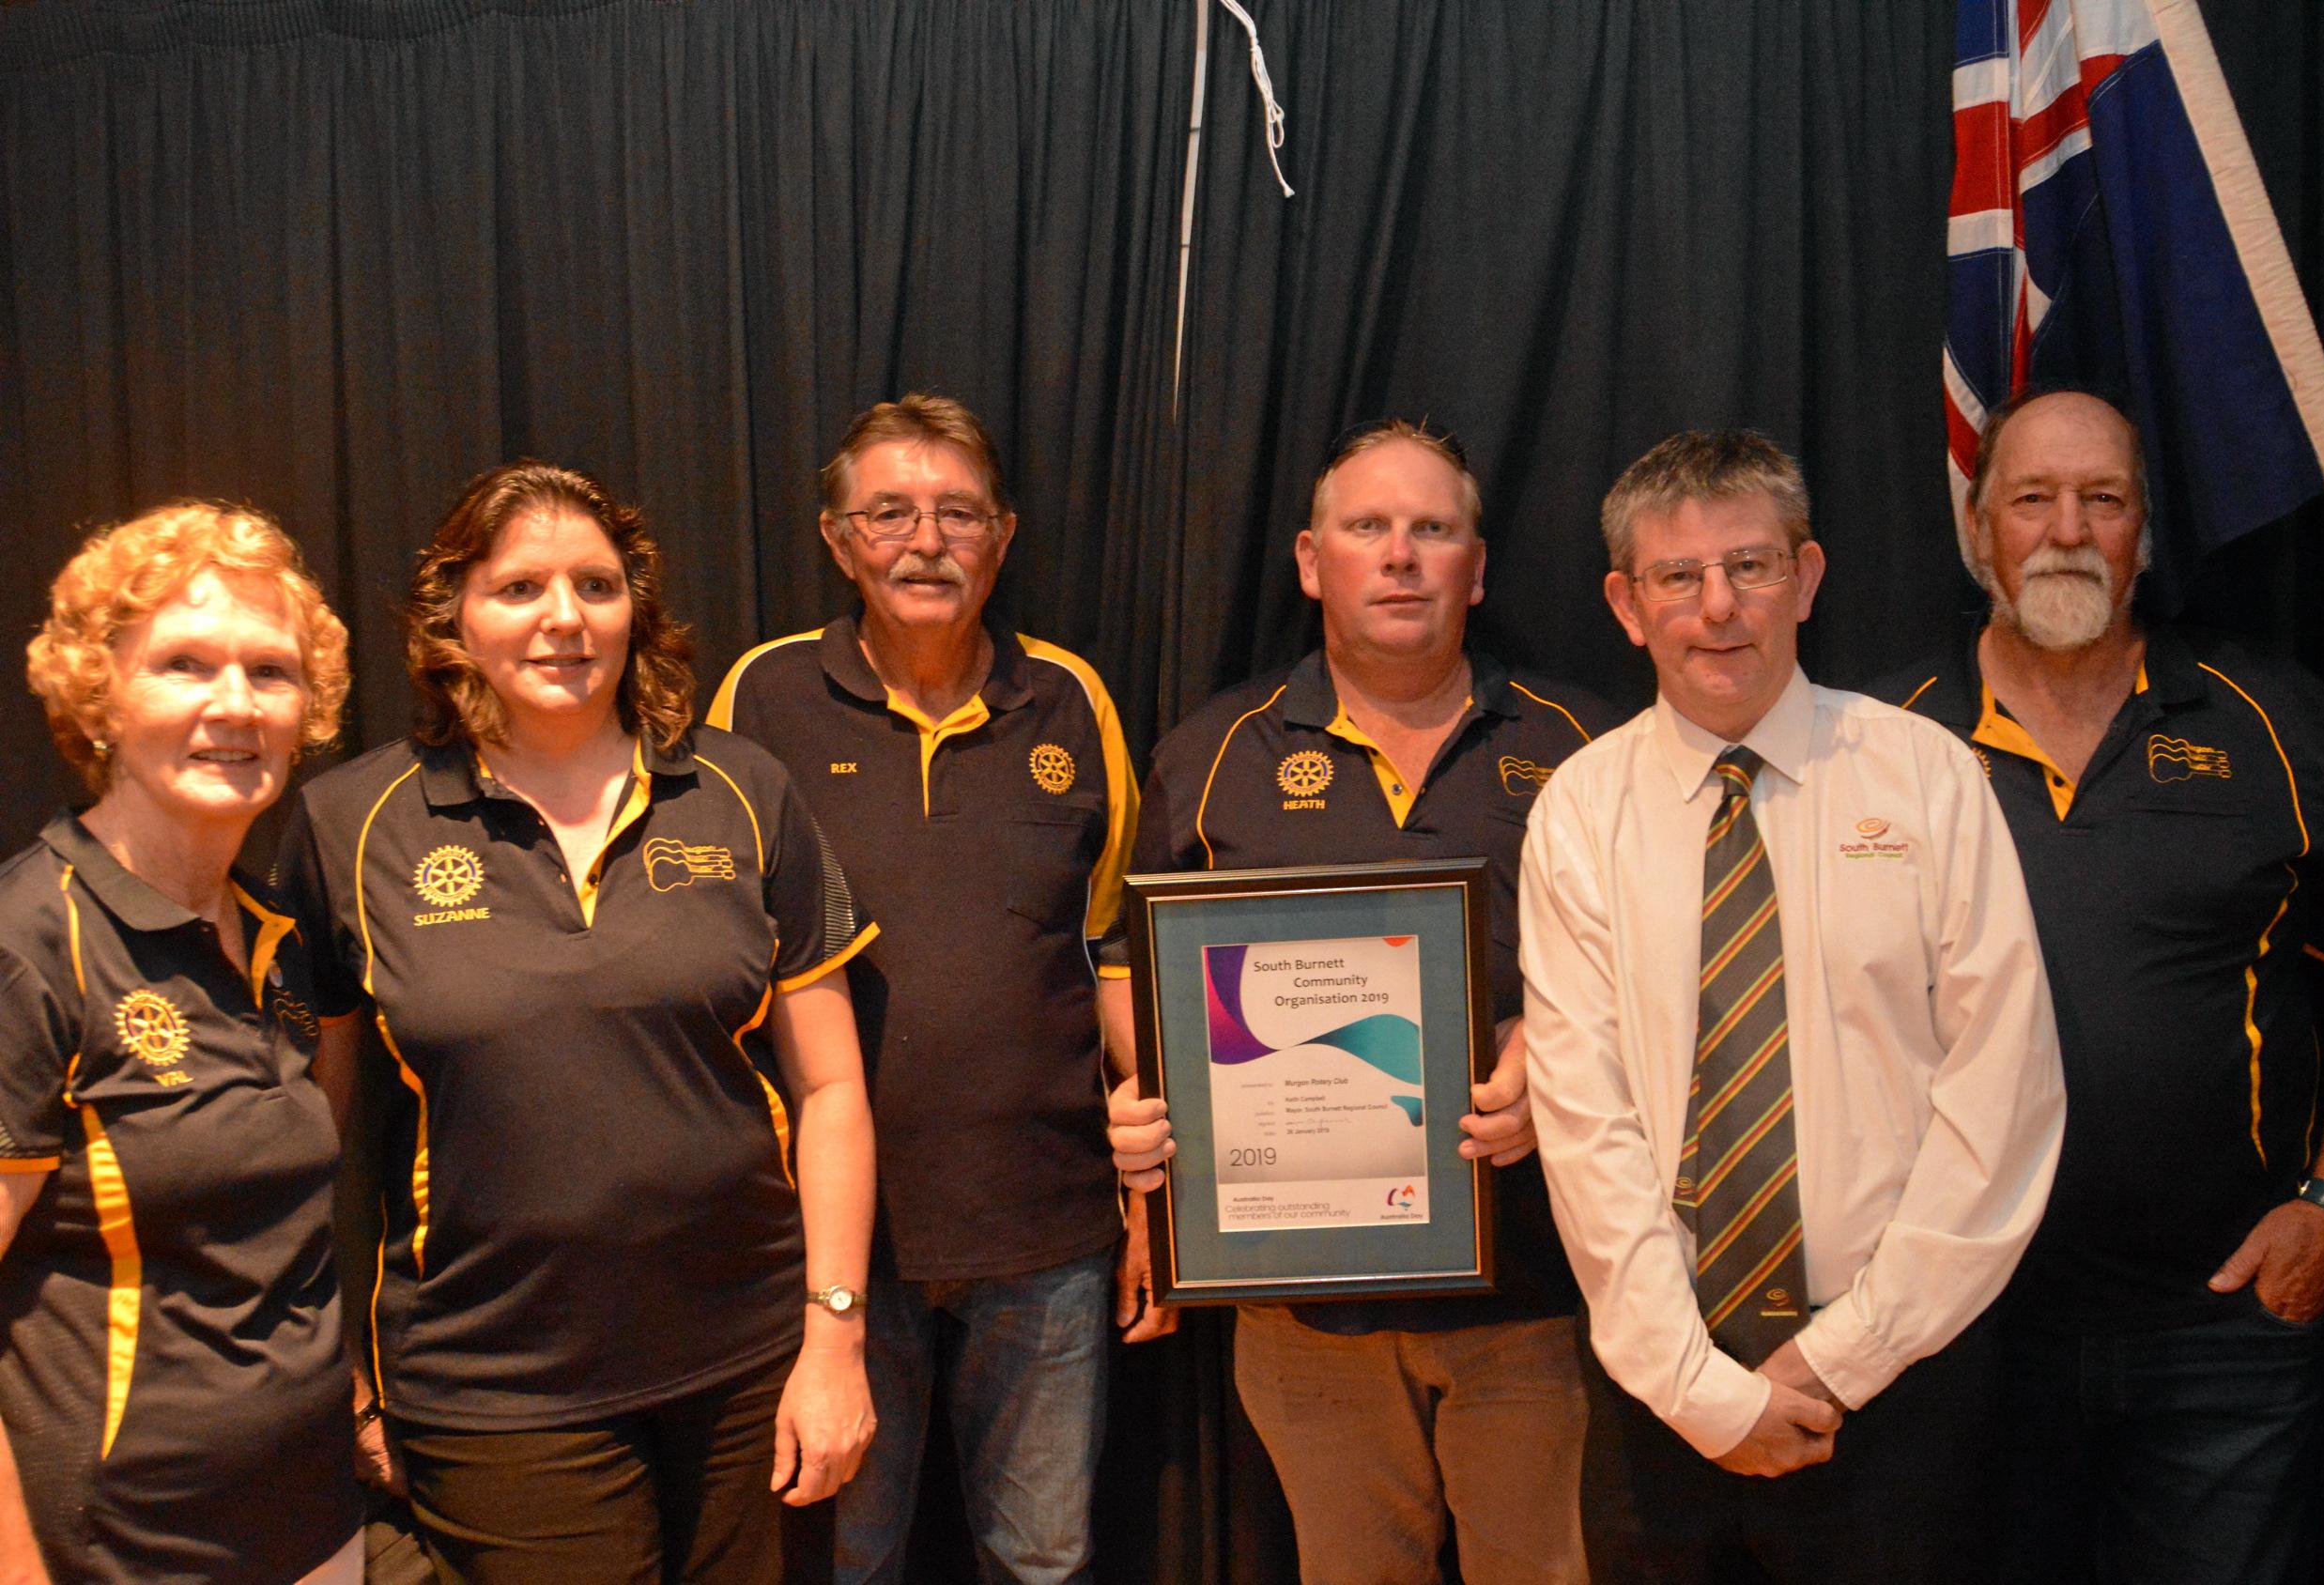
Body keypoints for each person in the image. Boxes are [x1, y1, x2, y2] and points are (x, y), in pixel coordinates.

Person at [281, 461, 877, 1585]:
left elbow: (833, 1089)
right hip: (493, 1387)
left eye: (597, 585)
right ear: (454, 611)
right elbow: (314, 1132)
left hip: (753, 1366)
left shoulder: (743, 789)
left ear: (635, 608)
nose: (564, 618)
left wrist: (835, 1332)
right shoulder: (350, 823)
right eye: (520, 588)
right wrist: (341, 1375)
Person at [1518, 429, 2066, 1583]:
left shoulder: (1924, 774)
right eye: (1679, 575)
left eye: (1751, 566)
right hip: (1663, 1385)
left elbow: (2002, 1092)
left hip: (1903, 1376)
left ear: (1806, 578)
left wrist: (1840, 1359)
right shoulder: (1580, 811)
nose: (1719, 606)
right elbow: (1585, 1123)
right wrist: (1698, 1386)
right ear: (1628, 603)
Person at [1871, 389, 2324, 1585]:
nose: (2067, 529)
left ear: (2145, 533)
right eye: (2032, 498)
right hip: (1957, 1329)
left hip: (2223, 1328)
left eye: (2103, 499)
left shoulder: (2284, 726)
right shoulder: (1878, 743)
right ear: (1978, 528)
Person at [1107, 420, 1621, 1585]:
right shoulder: (1212, 751)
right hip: (1302, 1317)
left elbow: (1667, 965)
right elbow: (1136, 965)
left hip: (1536, 1292)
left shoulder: (1588, 740)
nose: (1401, 555)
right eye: (1368, 527)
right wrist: (1159, 1124)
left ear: (1476, 569)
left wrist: (1557, 1054)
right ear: (1308, 558)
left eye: (1433, 529)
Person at [706, 395, 1142, 1585]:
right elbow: (708, 952)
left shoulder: (1073, 699)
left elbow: (1106, 941)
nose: (926, 539)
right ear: (837, 539)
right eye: (889, 511)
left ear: (1002, 536)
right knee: (842, 1559)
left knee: (1045, 1560)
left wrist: (1159, 1182)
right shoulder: (760, 698)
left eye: (957, 512)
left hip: (1047, 1229)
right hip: (829, 1246)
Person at [0, 503, 361, 1583]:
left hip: (314, 1518)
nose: (235, 705)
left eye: (271, 671)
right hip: (125, 1549)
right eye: (185, 664)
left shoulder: (282, 936)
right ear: (100, 697)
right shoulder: (29, 942)